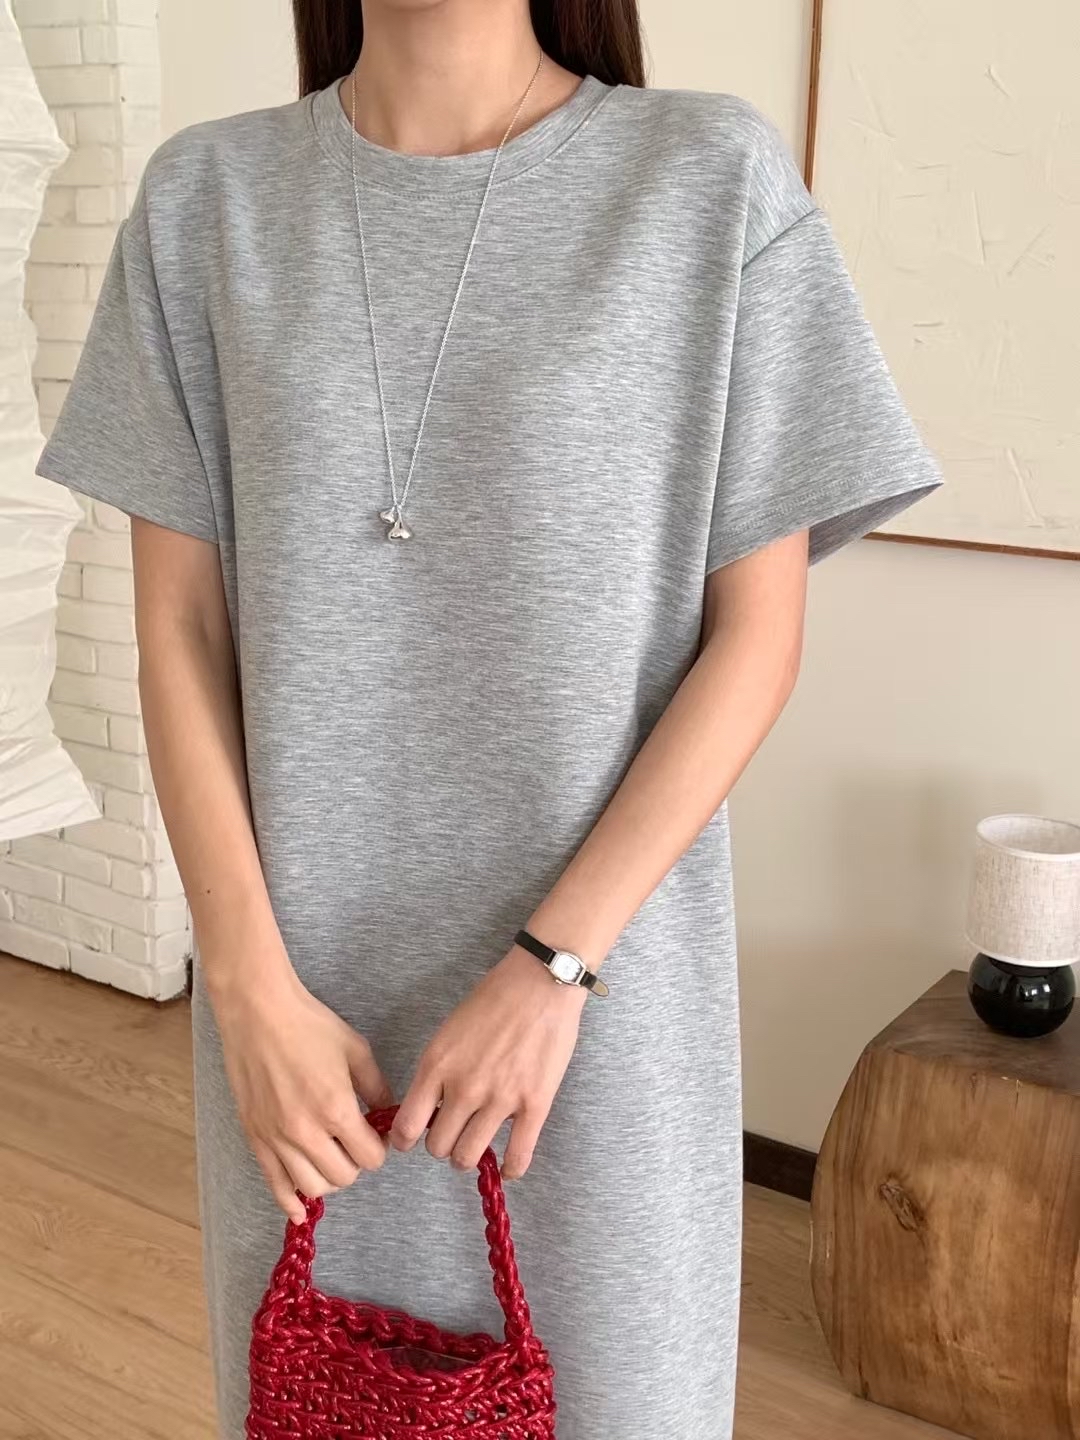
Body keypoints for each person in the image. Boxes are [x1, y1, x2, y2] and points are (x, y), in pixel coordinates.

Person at [33, 1, 944, 1435]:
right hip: (299, 1025)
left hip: (597, 1005)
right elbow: (180, 632)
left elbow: (756, 641)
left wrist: (552, 969)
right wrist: (247, 990)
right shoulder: (206, 202)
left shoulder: (706, 180)